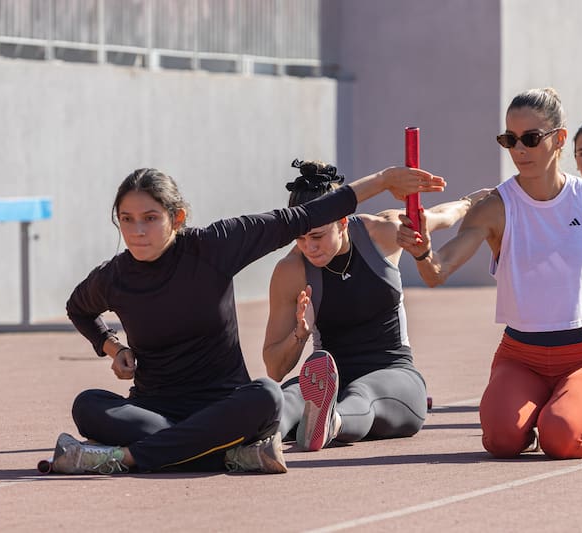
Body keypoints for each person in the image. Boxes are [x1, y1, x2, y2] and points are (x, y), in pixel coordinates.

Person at [48, 164, 445, 475]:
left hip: (227, 407)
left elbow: (307, 215)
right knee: (87, 405)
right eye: (126, 219)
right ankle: (228, 457)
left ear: (177, 217)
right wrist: (111, 346)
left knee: (267, 396)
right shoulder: (114, 276)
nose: (137, 231)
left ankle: (125, 459)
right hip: (154, 411)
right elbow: (78, 308)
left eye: (150, 218)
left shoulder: (214, 247)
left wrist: (383, 180)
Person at [398, 87, 582, 459]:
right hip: (521, 356)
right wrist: (422, 252)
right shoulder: (495, 207)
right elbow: (437, 272)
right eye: (509, 140)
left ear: (559, 139)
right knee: (501, 441)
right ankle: (544, 409)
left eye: (531, 139)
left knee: (562, 439)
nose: (519, 150)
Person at [263, 159, 488, 451]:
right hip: (329, 377)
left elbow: (438, 216)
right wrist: (299, 335)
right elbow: (275, 368)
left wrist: (469, 202)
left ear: (342, 221)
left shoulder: (382, 233)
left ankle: (332, 420)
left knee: (362, 392)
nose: (309, 247)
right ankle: (261, 439)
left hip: (394, 377)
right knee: (289, 396)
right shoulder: (291, 271)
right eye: (301, 238)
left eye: (317, 236)